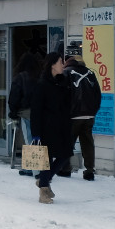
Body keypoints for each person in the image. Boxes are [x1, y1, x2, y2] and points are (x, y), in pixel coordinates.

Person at [32, 53, 77, 203]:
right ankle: (43, 192)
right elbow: (36, 110)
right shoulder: (42, 84)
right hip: (47, 127)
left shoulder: (63, 82)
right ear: (52, 64)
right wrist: (36, 133)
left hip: (63, 126)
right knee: (47, 159)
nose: (63, 64)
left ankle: (44, 181)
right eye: (60, 62)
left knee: (65, 154)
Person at [64, 55, 104, 181]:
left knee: (67, 142)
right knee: (87, 142)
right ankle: (89, 171)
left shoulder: (66, 73)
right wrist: (94, 111)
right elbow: (98, 93)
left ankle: (65, 168)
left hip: (73, 115)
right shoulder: (90, 73)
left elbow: (64, 94)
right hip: (89, 114)